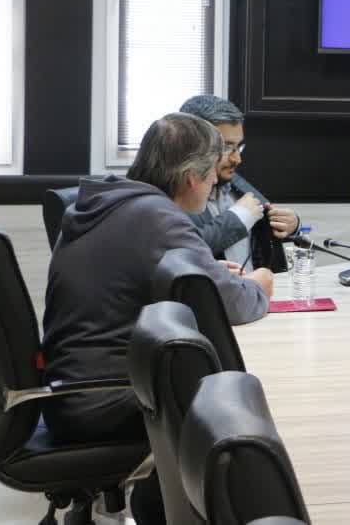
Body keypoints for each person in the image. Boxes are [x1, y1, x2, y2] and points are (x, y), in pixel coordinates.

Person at [41, 112, 273, 444]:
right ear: (191, 178)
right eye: (211, 173)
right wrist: (259, 284)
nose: (213, 183)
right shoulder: (157, 217)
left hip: (70, 394)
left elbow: (135, 278)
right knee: (245, 398)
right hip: (108, 402)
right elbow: (235, 305)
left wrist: (205, 274)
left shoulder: (108, 204)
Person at [179, 94, 300, 272]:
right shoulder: (169, 193)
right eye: (226, 147)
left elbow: (263, 237)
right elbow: (184, 249)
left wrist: (292, 225)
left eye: (238, 146)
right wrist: (239, 218)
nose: (237, 159)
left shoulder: (233, 179)